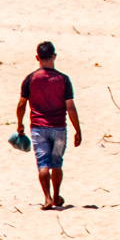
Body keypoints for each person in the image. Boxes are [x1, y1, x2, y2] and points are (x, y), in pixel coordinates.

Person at [16, 41, 81, 209]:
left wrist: (19, 124)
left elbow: (21, 104)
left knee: (43, 164)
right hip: (59, 127)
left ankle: (47, 197)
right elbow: (70, 107)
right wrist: (77, 130)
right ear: (54, 56)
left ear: (37, 57)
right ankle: (57, 194)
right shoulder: (63, 79)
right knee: (57, 163)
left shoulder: (31, 79)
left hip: (38, 128)